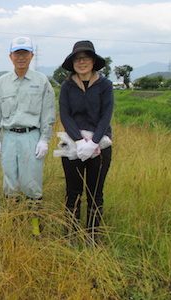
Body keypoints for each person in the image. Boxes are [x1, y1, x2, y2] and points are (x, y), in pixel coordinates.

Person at [0, 36, 56, 236]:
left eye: (25, 53)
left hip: (31, 137)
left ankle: (35, 227)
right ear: (10, 56)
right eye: (17, 53)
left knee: (31, 184)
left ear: (31, 56)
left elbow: (48, 114)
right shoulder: (1, 83)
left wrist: (45, 139)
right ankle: (14, 225)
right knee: (10, 183)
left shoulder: (41, 81)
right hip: (8, 137)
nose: (21, 57)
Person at [59, 40, 113, 244]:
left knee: (95, 192)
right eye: (77, 58)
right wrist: (80, 141)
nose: (82, 62)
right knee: (73, 192)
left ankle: (92, 235)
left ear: (93, 61)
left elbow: (106, 115)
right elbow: (65, 115)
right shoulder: (67, 86)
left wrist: (94, 142)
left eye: (86, 57)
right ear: (72, 62)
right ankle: (71, 235)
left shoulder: (105, 85)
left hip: (101, 145)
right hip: (72, 144)